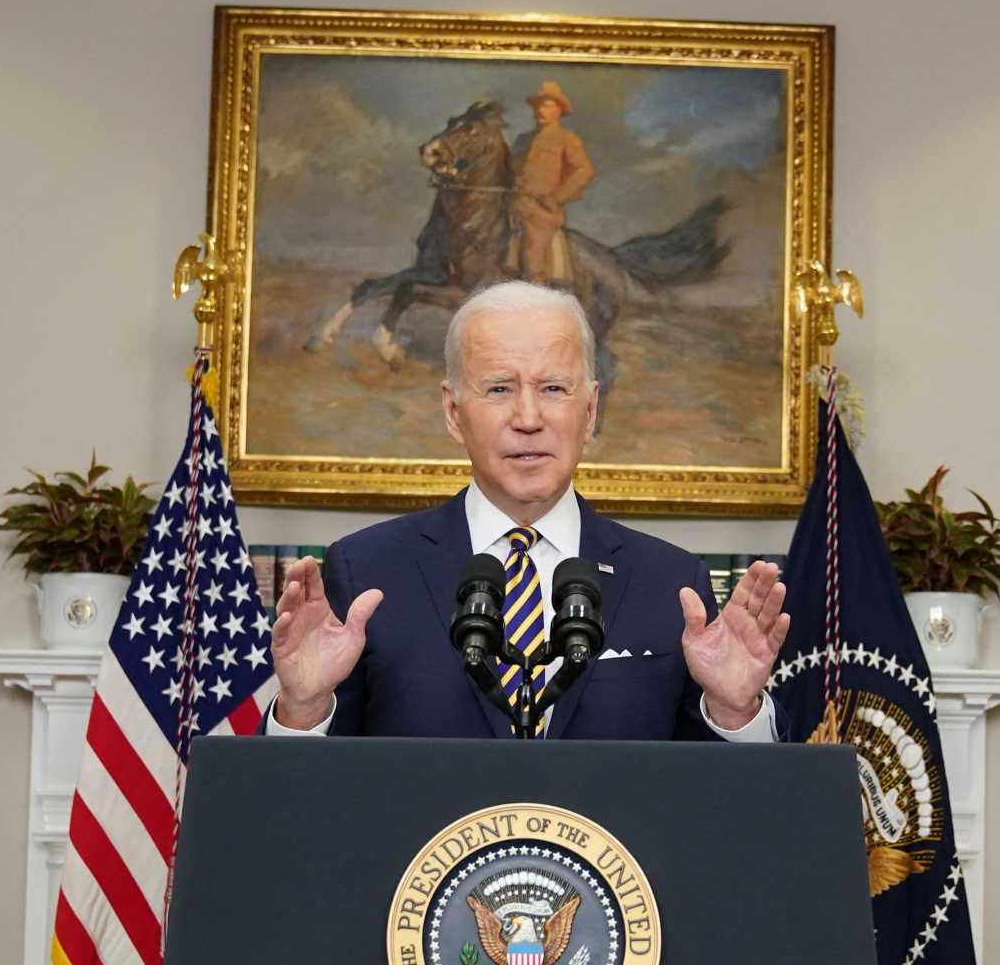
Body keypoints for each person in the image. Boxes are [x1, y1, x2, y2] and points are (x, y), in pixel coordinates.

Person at [266, 279, 786, 740]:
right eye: (499, 389)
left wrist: (734, 711)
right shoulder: (368, 571)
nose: (528, 418)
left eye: (554, 388)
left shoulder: (672, 582)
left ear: (590, 412)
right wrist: (304, 707)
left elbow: (714, 807)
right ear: (453, 411)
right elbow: (313, 804)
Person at [505, 81, 594, 288]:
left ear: (559, 110)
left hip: (541, 211)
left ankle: (538, 295)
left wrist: (556, 198)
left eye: (546, 105)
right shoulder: (522, 140)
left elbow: (585, 171)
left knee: (532, 256)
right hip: (514, 205)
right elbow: (509, 171)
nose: (539, 110)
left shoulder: (566, 139)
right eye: (537, 106)